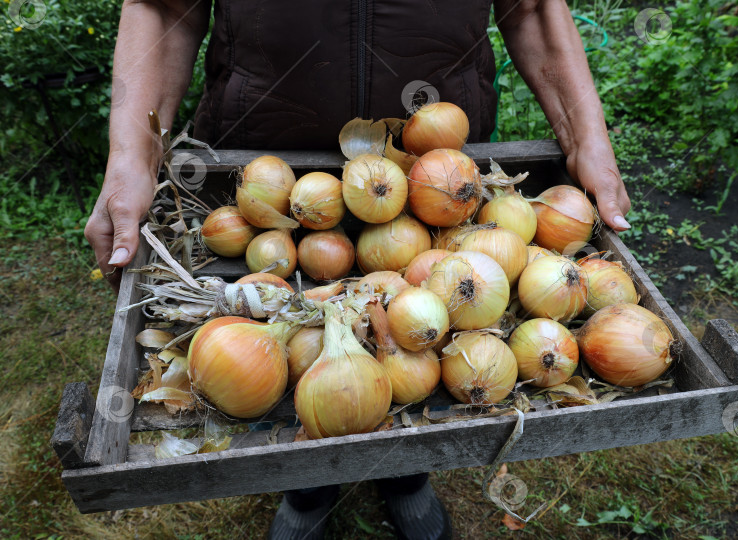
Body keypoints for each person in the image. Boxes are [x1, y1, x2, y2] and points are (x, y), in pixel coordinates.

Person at [85, 1, 631, 538]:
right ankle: (306, 489)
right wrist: (131, 156)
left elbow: (532, 8)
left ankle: (406, 474)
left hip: (431, 179)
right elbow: (160, 7)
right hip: (266, 184)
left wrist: (588, 138)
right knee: (298, 363)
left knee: (416, 350)